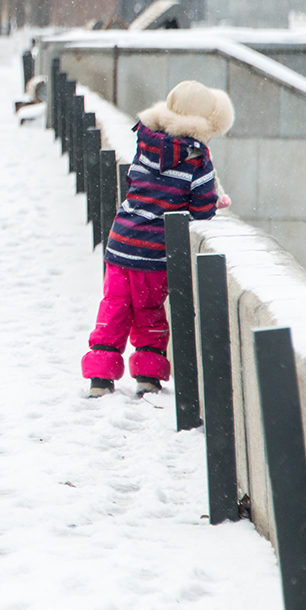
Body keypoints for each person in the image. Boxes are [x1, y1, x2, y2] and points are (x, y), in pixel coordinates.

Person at [83, 81, 234, 398]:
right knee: (149, 312)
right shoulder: (197, 158)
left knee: (113, 308)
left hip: (121, 243)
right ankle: (148, 376)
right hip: (154, 253)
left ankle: (100, 376)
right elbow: (202, 206)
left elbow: (136, 181)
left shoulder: (146, 141)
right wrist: (213, 201)